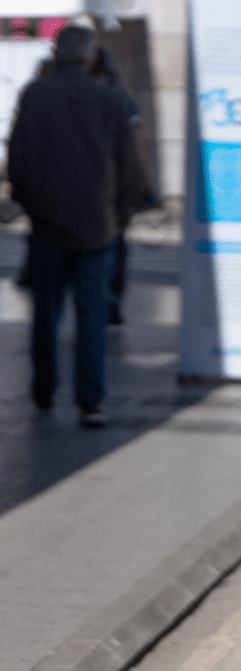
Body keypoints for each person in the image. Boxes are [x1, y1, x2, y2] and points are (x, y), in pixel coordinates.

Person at [7, 24, 146, 428]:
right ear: (89, 56)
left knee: (45, 312)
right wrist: (122, 213)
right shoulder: (110, 99)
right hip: (97, 225)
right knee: (92, 315)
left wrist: (29, 203)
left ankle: (44, 389)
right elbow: (130, 166)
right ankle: (91, 400)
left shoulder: (36, 94)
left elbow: (18, 156)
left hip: (48, 223)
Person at [88, 46, 150, 326]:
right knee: (117, 245)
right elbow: (137, 144)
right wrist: (142, 184)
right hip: (114, 187)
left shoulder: (80, 97)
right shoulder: (123, 100)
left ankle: (95, 300)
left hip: (88, 186)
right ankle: (111, 300)